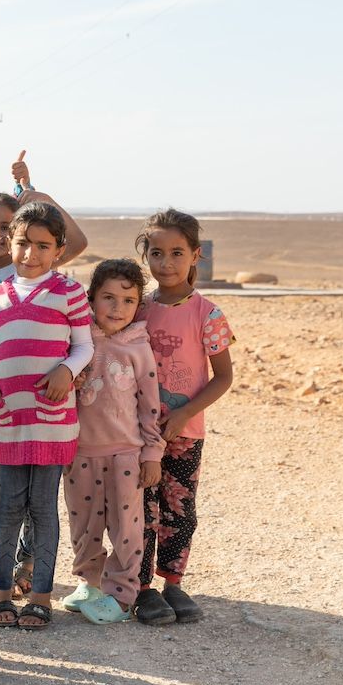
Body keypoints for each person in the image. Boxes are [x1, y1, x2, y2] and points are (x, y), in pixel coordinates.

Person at [0, 151, 90, 589]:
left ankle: (41, 592)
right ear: (10, 242)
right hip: (9, 416)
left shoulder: (68, 291)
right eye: (23, 242)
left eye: (43, 246)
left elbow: (84, 346)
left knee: (42, 506)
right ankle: (0, 587)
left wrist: (67, 370)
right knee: (7, 502)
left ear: (58, 251)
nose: (30, 252)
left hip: (52, 417)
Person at [131, 209, 235, 625]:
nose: (166, 263)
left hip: (185, 431)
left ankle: (172, 582)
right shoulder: (137, 308)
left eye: (177, 253)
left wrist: (186, 412)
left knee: (179, 509)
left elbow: (223, 377)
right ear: (146, 257)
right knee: (139, 509)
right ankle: (139, 589)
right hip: (137, 431)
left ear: (195, 255)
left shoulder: (207, 315)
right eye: (157, 253)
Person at [61, 259, 165, 624]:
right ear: (90, 300)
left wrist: (152, 454)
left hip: (126, 454)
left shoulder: (140, 349)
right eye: (108, 298)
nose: (117, 308)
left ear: (138, 306)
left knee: (126, 527)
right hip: (79, 452)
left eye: (128, 300)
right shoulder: (79, 344)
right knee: (83, 524)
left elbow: (151, 407)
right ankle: (90, 584)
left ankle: (121, 595)